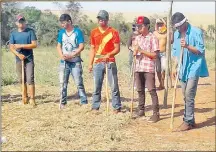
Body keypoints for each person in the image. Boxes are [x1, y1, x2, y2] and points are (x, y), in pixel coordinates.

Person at [171, 12, 209, 131]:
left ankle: (187, 121)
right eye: (176, 27)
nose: (177, 28)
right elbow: (176, 52)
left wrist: (187, 46)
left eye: (178, 26)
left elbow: (201, 51)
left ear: (184, 23)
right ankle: (191, 120)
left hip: (194, 67)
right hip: (182, 69)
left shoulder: (196, 32)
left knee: (189, 94)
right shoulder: (177, 34)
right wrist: (174, 66)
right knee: (185, 95)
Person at [88, 10, 121, 113]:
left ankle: (116, 107)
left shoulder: (113, 32)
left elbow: (117, 48)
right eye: (99, 19)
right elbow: (92, 49)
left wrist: (109, 54)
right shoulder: (94, 32)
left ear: (107, 20)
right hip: (98, 62)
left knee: (114, 85)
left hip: (110, 61)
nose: (101, 21)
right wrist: (90, 63)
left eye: (103, 19)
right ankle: (95, 107)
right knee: (97, 85)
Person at [57, 14, 88, 109]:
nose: (62, 25)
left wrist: (72, 55)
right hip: (64, 62)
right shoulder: (61, 33)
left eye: (64, 22)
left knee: (78, 82)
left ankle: (83, 101)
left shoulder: (77, 32)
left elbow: (81, 46)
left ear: (69, 21)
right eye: (61, 23)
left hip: (75, 61)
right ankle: (63, 102)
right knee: (63, 82)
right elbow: (58, 46)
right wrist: (61, 56)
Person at [133, 16, 160, 123]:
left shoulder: (152, 38)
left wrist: (141, 50)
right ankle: (141, 110)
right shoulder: (137, 38)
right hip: (138, 67)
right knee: (140, 90)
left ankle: (156, 114)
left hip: (148, 67)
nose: (139, 27)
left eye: (141, 25)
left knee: (151, 90)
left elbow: (155, 55)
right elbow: (135, 52)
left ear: (147, 26)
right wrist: (135, 51)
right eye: (137, 25)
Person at [9, 14, 37, 107]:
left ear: (25, 22)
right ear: (16, 23)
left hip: (29, 59)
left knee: (30, 79)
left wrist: (21, 45)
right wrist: (18, 54)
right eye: (19, 21)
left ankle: (32, 99)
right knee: (21, 80)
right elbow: (11, 47)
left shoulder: (30, 32)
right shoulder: (13, 33)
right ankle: (24, 97)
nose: (21, 23)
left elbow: (34, 44)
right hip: (18, 59)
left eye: (23, 21)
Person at [153, 18, 174, 90]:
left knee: (164, 68)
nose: (159, 25)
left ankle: (166, 82)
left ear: (164, 24)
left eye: (161, 24)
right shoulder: (154, 33)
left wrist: (171, 33)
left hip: (164, 53)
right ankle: (161, 84)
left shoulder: (167, 32)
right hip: (156, 53)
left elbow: (171, 41)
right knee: (158, 69)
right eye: (158, 24)